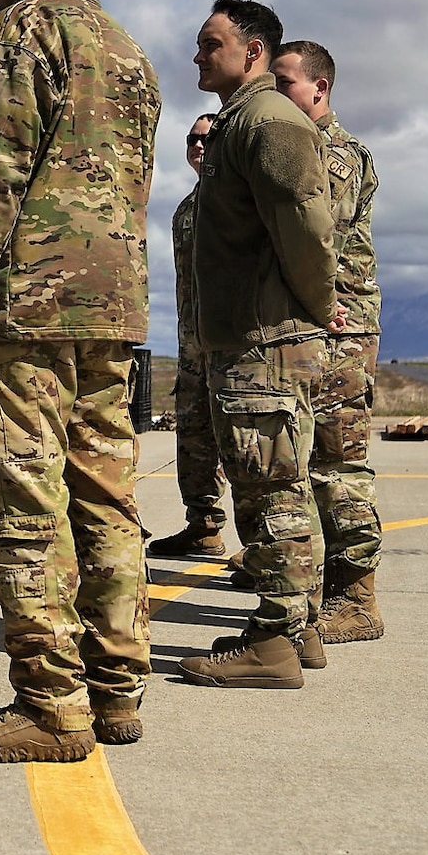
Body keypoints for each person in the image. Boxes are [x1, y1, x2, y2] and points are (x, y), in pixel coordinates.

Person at [0, 0, 160, 761]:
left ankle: (51, 706)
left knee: (26, 504)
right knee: (106, 495)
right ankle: (115, 687)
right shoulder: (129, 51)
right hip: (112, 305)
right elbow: (134, 188)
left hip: (27, 307)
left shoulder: (23, 32)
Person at [174, 0, 340, 691]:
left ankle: (273, 640)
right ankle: (294, 628)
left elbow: (306, 222)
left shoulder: (270, 121)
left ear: (253, 51)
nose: (198, 55)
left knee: (268, 488)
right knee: (276, 483)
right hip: (247, 334)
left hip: (262, 338)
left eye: (212, 43)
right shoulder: (242, 122)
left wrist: (318, 302)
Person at [273, 41, 384, 643]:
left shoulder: (337, 154)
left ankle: (356, 596)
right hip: (313, 321)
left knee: (338, 464)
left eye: (286, 82)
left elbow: (316, 232)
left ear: (320, 88)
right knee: (304, 457)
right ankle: (314, 585)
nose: (278, 94)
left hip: (341, 326)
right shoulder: (297, 146)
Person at [147, 113, 232, 559]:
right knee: (194, 436)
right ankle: (202, 525)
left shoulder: (239, 199)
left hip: (234, 344)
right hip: (192, 345)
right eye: (191, 139)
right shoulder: (186, 208)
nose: (199, 146)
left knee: (245, 445)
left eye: (208, 138)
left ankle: (264, 547)